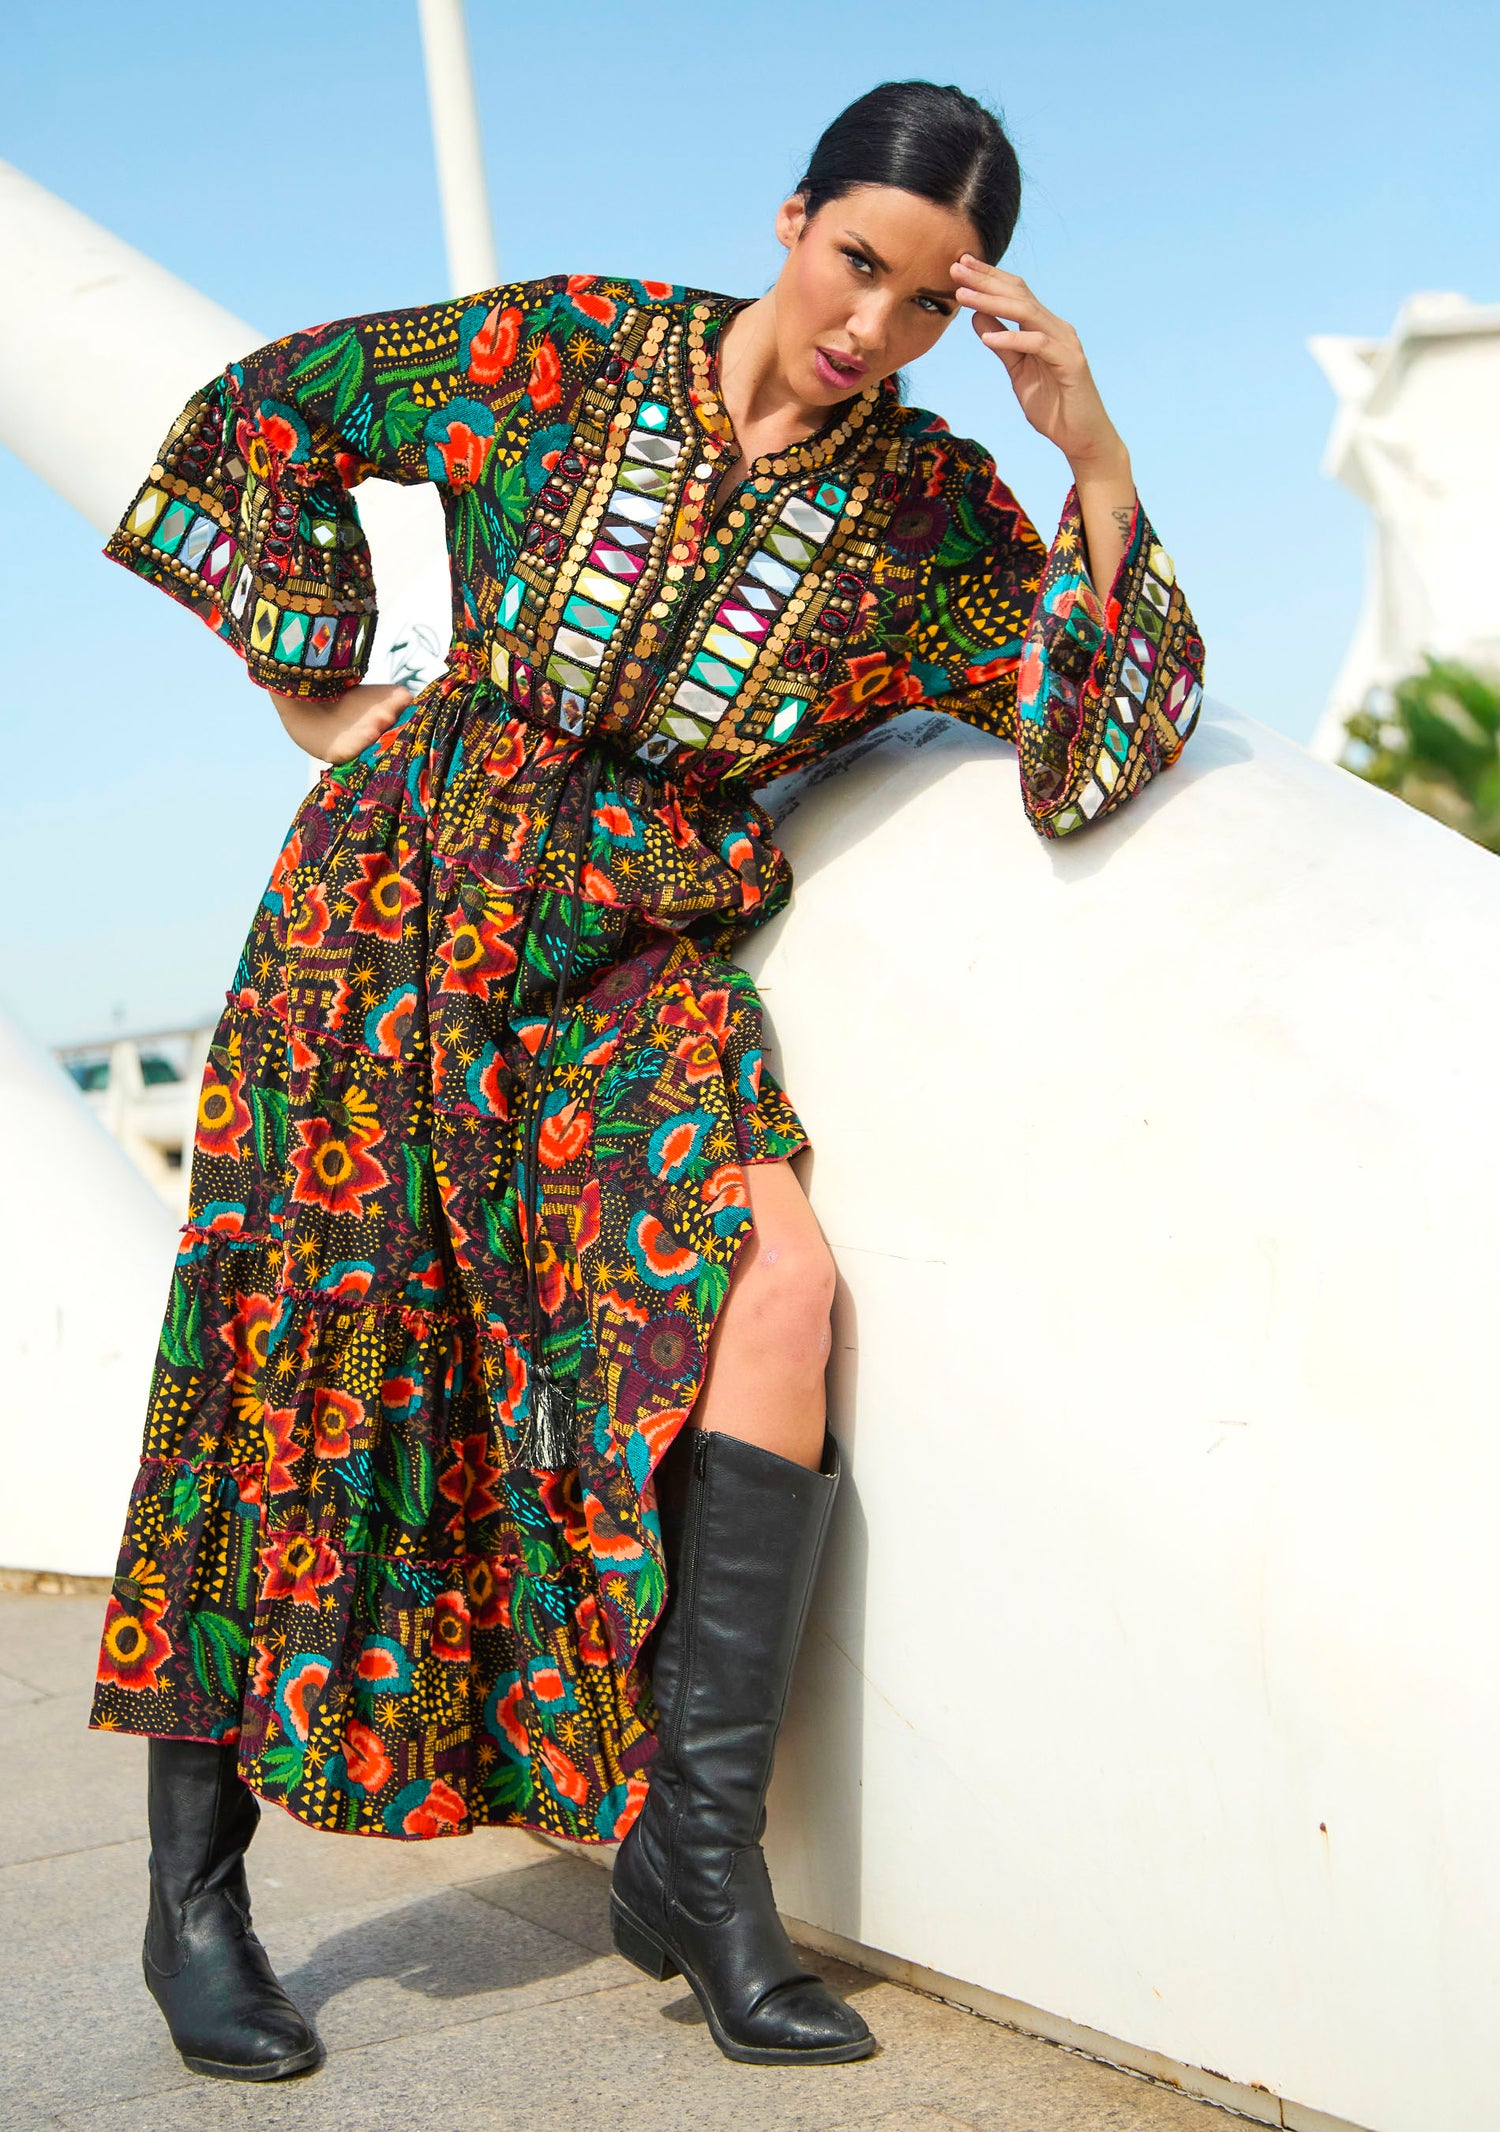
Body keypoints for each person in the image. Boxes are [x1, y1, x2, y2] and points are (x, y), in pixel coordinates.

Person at [90, 78, 1203, 2079]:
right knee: (289, 1357)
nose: (873, 323)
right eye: (858, 262)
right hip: (391, 906)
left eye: (932, 300)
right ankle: (194, 1903)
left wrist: (1093, 455)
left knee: (778, 1284)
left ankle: (694, 1859)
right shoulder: (571, 349)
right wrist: (315, 666)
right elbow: (272, 403)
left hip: (626, 944)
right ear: (793, 219)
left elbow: (1085, 753)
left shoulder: (927, 513)